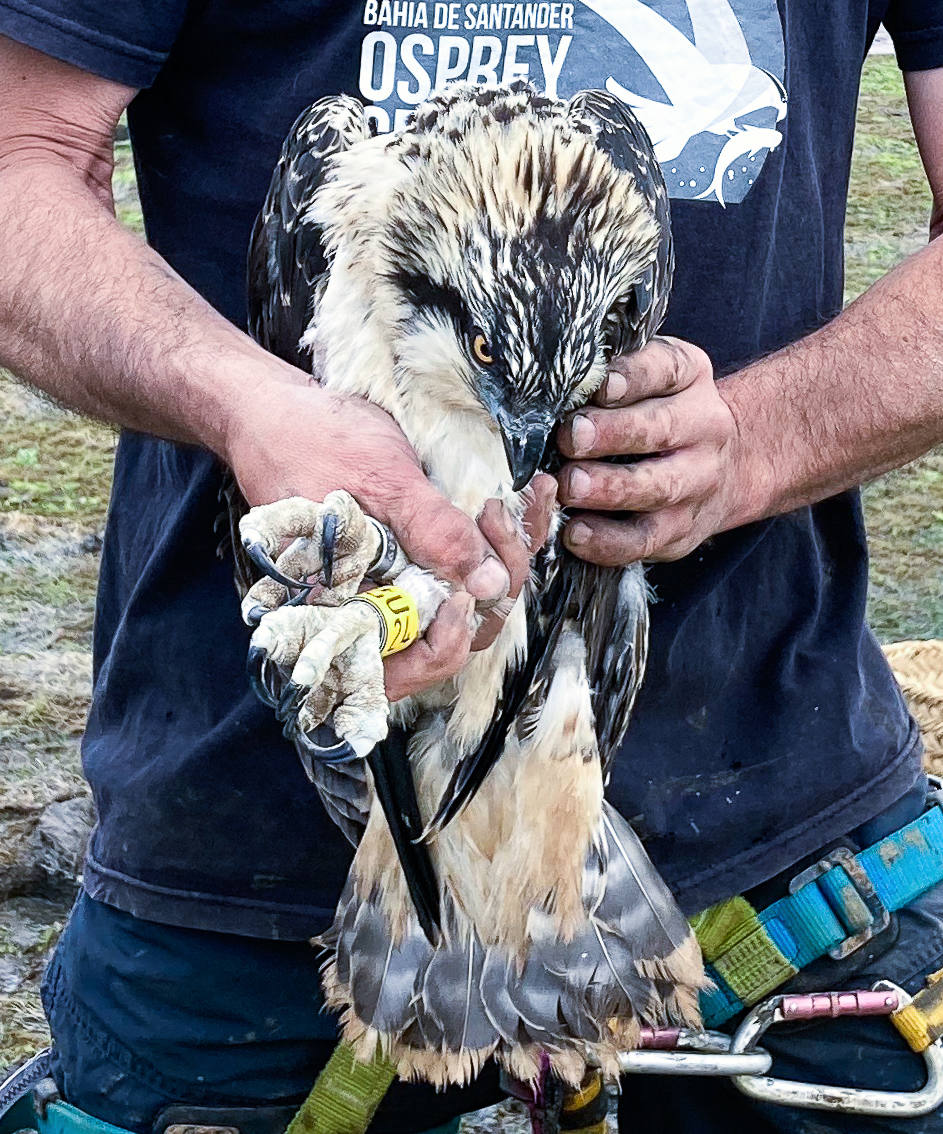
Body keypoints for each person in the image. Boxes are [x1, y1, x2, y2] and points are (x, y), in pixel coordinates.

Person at [0, 2, 941, 1131]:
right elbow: (19, 156)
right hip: (240, 866)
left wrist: (752, 443)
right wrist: (250, 407)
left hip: (779, 854)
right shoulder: (348, 183)